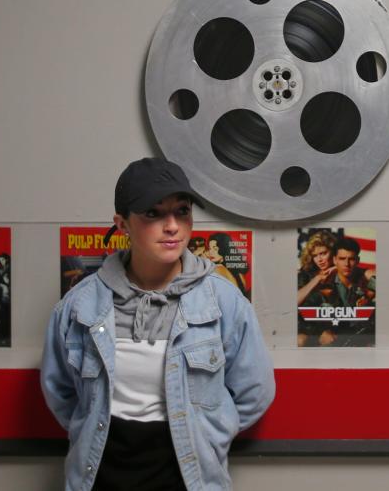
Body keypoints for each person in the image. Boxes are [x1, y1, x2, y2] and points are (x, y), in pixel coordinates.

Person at [41, 158, 274, 491]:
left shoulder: (223, 302)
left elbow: (255, 391)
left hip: (189, 480)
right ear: (122, 224)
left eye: (182, 211)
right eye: (153, 213)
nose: (172, 226)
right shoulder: (80, 306)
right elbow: (60, 391)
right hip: (99, 478)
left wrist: (207, 435)